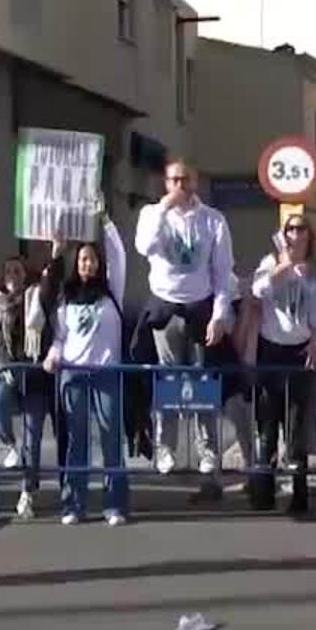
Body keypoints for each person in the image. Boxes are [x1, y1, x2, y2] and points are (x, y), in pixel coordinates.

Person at [132, 159, 237, 481]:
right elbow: (144, 247)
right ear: (166, 183)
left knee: (203, 380)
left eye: (186, 180)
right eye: (174, 180)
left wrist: (220, 315)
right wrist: (164, 209)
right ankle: (166, 447)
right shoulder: (152, 214)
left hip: (200, 307)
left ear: (196, 183)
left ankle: (208, 449)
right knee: (168, 381)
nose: (180, 186)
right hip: (165, 307)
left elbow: (223, 273)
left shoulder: (212, 220)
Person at [44, 222, 129, 526]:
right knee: (75, 441)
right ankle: (73, 505)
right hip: (73, 375)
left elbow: (119, 255)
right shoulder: (66, 298)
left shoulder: (111, 294)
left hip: (106, 374)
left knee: (110, 439)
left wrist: (106, 222)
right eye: (82, 259)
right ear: (76, 264)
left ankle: (115, 504)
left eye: (92, 259)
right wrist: (54, 355)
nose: (87, 264)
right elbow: (59, 336)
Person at [250, 214, 316, 514]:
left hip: (300, 348)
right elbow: (257, 291)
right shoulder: (271, 262)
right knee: (267, 422)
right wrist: (283, 267)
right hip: (271, 347)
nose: (296, 234)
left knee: (297, 425)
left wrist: (314, 340)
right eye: (290, 229)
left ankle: (299, 495)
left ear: (310, 235)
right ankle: (263, 492)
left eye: (301, 229)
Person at [0, 245, 58, 522]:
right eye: (8, 271)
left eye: (17, 270)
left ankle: (28, 491)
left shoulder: (35, 297)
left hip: (35, 376)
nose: (12, 275)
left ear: (26, 274)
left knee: (34, 436)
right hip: (6, 375)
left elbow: (50, 286)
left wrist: (55, 254)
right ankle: (9, 443)